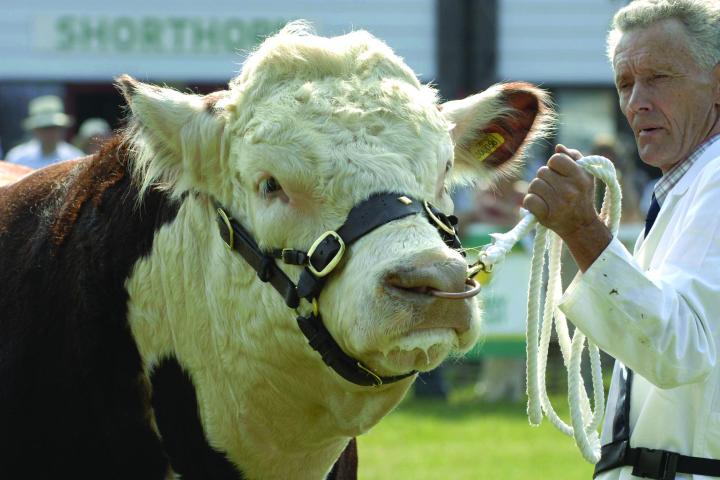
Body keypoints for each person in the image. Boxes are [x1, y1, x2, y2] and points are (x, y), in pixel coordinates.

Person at [522, 1, 720, 478]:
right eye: (625, 84)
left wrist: (582, 229)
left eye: (659, 78)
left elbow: (679, 349)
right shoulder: (686, 186)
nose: (636, 102)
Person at [6, 95, 84, 169]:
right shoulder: (17, 158)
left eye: (53, 128)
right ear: (35, 130)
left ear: (61, 129)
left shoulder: (75, 158)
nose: (49, 133)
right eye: (45, 128)